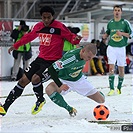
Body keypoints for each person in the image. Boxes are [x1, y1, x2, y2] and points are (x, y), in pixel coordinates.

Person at [0, 6, 82, 116]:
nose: (47, 20)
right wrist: (16, 45)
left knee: (35, 78)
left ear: (53, 16)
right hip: (40, 59)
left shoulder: (59, 27)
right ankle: (4, 108)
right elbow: (28, 37)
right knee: (22, 81)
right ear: (41, 17)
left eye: (49, 17)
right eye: (44, 17)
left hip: (53, 62)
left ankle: (40, 100)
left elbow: (70, 37)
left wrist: (76, 39)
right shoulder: (38, 26)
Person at [46, 43, 105, 116]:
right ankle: (69, 109)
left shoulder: (84, 52)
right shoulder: (71, 58)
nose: (89, 60)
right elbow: (51, 69)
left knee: (101, 100)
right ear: (83, 51)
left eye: (91, 58)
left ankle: (98, 93)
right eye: (88, 57)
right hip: (64, 80)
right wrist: (60, 84)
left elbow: (83, 45)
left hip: (79, 80)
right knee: (49, 89)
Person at [102, 5, 133, 96]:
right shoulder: (110, 22)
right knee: (111, 68)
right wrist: (105, 35)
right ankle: (111, 88)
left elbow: (131, 34)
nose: (117, 12)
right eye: (115, 10)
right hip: (111, 47)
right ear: (113, 12)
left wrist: (121, 33)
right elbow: (108, 31)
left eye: (118, 10)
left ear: (121, 12)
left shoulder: (125, 22)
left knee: (121, 69)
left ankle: (119, 87)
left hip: (121, 48)